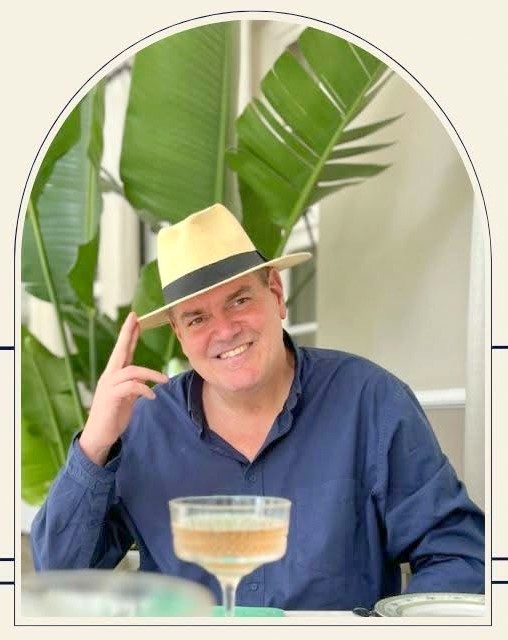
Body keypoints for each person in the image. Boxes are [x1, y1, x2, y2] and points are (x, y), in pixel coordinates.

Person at [31, 203, 485, 611]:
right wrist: (96, 442)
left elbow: (459, 555)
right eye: (197, 318)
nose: (225, 330)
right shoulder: (144, 423)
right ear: (179, 336)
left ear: (277, 293)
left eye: (240, 300)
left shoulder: (370, 400)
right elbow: (59, 576)